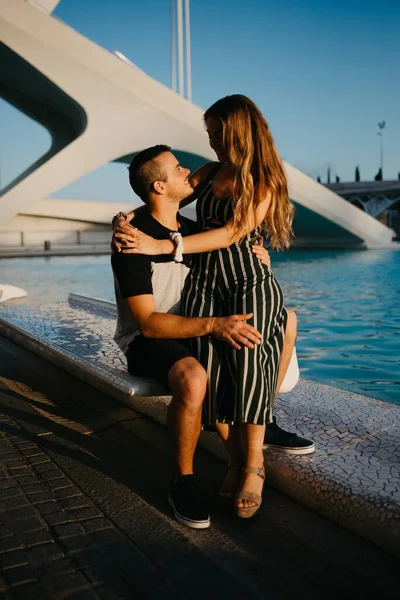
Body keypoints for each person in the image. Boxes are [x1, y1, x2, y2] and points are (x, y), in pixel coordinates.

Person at [113, 96, 315, 520]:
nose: (211, 144)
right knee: (210, 366)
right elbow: (163, 196)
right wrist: (125, 221)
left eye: (217, 135)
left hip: (240, 281)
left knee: (256, 345)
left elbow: (230, 233)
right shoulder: (208, 175)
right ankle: (211, 467)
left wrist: (163, 244)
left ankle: (252, 464)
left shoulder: (262, 180)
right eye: (209, 135)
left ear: (238, 132)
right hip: (205, 293)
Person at [112, 145, 271, 529]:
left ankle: (259, 433)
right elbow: (148, 324)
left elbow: (233, 249)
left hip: (194, 329)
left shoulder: (196, 232)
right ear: (159, 186)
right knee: (195, 376)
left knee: (269, 329)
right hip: (149, 340)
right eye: (178, 168)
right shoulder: (131, 240)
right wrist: (216, 325)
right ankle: (183, 480)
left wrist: (261, 255)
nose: (189, 172)